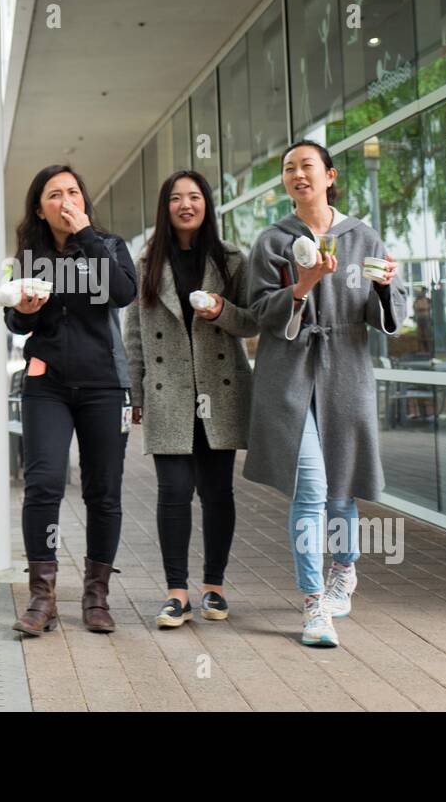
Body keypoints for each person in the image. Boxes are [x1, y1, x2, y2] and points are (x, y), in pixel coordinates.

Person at [244, 140, 407, 648]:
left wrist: (385, 286)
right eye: (288, 168)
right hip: (288, 377)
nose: (297, 174)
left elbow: (388, 313)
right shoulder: (273, 242)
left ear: (330, 175)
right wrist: (302, 286)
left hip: (346, 372)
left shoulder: (362, 237)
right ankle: (315, 606)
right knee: (311, 490)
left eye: (306, 166)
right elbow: (257, 313)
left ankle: (345, 568)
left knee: (341, 490)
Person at [5, 163, 137, 636]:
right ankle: (42, 597)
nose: (66, 200)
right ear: (40, 210)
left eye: (73, 192)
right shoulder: (31, 257)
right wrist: (22, 312)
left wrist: (88, 236)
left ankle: (96, 596)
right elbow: (18, 326)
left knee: (104, 490)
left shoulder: (110, 246)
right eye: (55, 194)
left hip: (104, 384)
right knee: (43, 483)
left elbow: (122, 293)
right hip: (48, 384)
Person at [124, 170, 258, 628]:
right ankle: (176, 592)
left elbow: (252, 323)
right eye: (176, 198)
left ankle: (214, 588)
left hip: (218, 388)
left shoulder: (232, 261)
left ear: (207, 205)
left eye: (194, 197)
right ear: (165, 209)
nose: (186, 204)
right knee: (174, 493)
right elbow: (136, 337)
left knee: (217, 492)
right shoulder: (146, 265)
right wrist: (137, 392)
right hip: (168, 392)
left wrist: (222, 311)